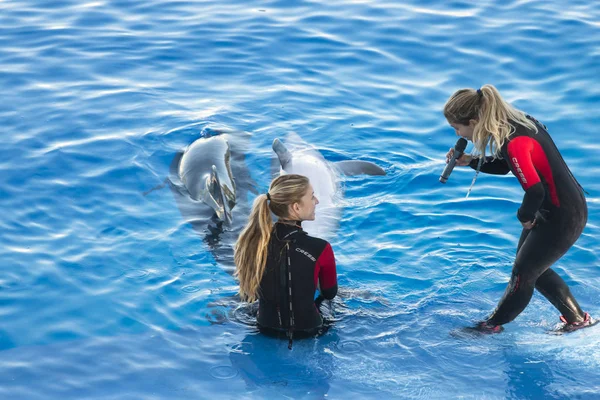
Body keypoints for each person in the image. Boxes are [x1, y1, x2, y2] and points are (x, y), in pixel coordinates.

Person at [443, 84, 593, 333]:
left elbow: (535, 190)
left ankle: (491, 326)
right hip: (561, 207)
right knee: (532, 266)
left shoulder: (515, 142)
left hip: (562, 215)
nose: (459, 134)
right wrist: (470, 161)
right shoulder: (517, 122)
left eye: (458, 128)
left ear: (473, 121)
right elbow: (505, 166)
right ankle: (577, 320)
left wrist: (524, 216)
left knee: (522, 273)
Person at [234, 174, 338, 346]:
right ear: (296, 207)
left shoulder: (252, 244)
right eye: (312, 196)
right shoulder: (321, 248)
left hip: (265, 328)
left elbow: (248, 292)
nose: (317, 201)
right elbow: (329, 293)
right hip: (310, 330)